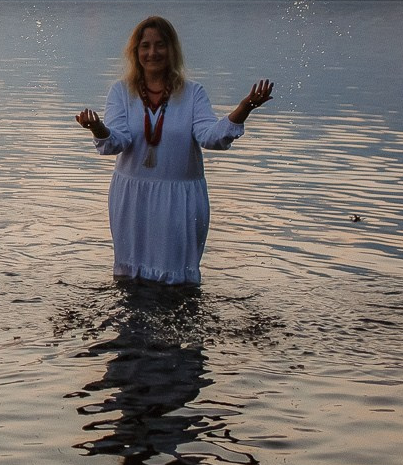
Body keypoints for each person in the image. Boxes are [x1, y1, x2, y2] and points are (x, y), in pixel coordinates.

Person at [74, 16, 273, 285]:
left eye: (160, 45)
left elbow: (210, 137)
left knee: (179, 284)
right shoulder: (121, 92)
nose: (152, 53)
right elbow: (116, 142)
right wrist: (97, 128)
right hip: (133, 197)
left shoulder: (193, 93)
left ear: (172, 50)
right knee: (131, 283)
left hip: (181, 199)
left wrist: (245, 108)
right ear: (136, 52)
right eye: (145, 46)